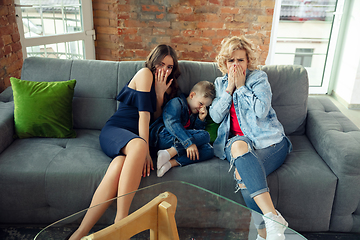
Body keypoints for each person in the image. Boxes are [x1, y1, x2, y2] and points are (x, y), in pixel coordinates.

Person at [69, 44, 181, 240]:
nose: (164, 70)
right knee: (138, 145)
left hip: (132, 142)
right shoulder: (145, 73)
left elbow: (156, 117)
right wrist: (144, 149)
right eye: (161, 64)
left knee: (119, 165)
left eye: (169, 67)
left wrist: (160, 94)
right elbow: (144, 117)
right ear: (153, 62)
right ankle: (121, 225)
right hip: (116, 131)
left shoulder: (164, 86)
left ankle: (79, 234)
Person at [209, 36, 292, 240]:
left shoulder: (258, 79)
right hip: (238, 143)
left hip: (269, 142)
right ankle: (273, 218)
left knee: (242, 174)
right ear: (224, 63)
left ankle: (263, 234)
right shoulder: (220, 84)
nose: (235, 65)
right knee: (238, 145)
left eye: (240, 60)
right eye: (231, 60)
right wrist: (230, 89)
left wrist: (242, 86)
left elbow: (261, 111)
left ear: (248, 62)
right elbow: (215, 116)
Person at [150, 81, 216, 177]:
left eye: (206, 107)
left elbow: (195, 134)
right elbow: (172, 123)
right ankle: (171, 152)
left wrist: (200, 119)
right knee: (205, 135)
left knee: (209, 150)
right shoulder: (177, 102)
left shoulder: (194, 114)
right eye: (201, 103)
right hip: (162, 136)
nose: (202, 108)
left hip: (178, 142)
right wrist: (188, 143)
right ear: (192, 95)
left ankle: (169, 162)